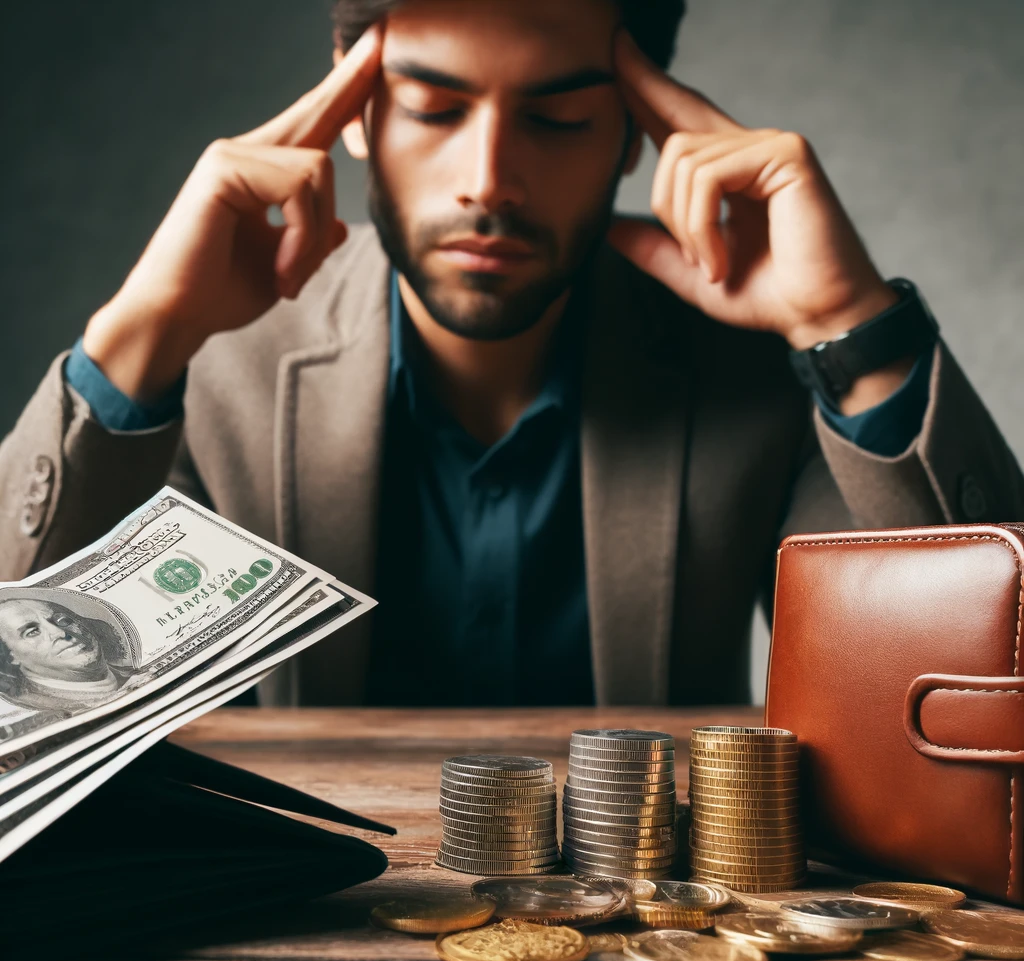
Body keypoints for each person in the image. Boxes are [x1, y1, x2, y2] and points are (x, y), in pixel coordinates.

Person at [1, 0, 1021, 707]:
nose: (488, 178)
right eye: (436, 111)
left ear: (634, 133)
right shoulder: (211, 366)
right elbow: (24, 685)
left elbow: (979, 687)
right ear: (354, 116)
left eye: (558, 117)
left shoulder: (758, 365)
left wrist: (855, 329)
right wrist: (136, 342)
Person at [0, 591, 139, 714]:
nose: (60, 632)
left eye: (62, 620)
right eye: (32, 632)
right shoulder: (40, 709)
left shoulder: (134, 672)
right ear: (11, 656)